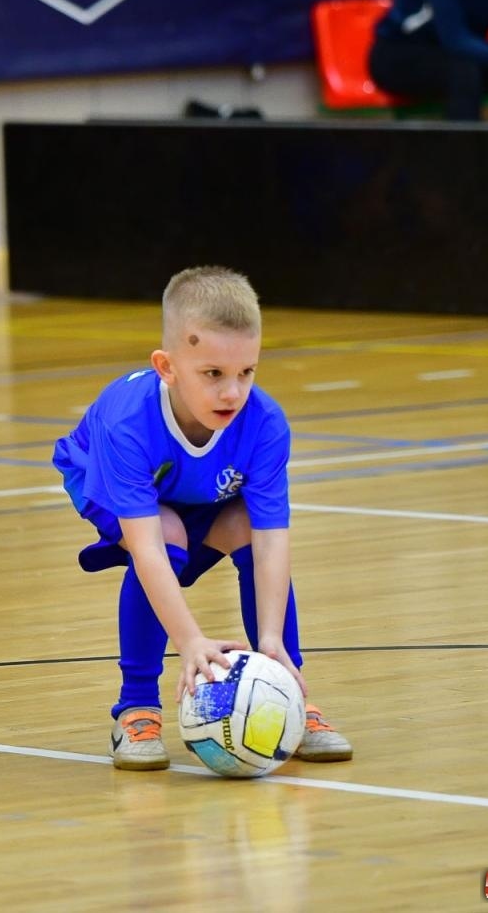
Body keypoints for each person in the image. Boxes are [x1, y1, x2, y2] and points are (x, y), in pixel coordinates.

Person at [52, 267, 353, 772]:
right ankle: (136, 709)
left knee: (246, 527)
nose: (233, 392)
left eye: (247, 372)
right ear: (166, 367)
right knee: (167, 534)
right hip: (102, 479)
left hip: (198, 486)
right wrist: (190, 641)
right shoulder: (127, 423)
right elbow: (147, 547)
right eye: (213, 374)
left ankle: (292, 695)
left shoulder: (265, 423)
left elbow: (272, 541)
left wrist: (271, 640)